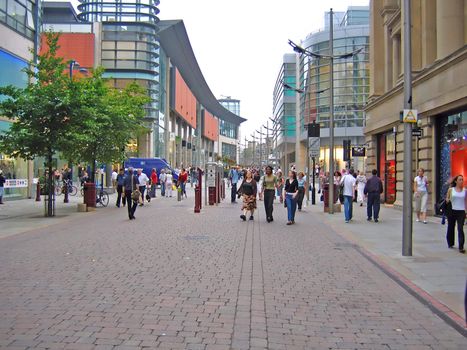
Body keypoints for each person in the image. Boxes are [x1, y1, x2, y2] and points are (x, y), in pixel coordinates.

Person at [445, 175, 466, 254]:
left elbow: (466, 202)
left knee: (460, 228)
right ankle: (450, 242)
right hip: (452, 210)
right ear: (456, 181)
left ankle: (461, 246)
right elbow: (447, 198)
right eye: (460, 180)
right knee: (451, 226)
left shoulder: (465, 190)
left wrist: (466, 211)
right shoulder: (451, 190)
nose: (461, 181)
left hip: (461, 211)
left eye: (462, 180)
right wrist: (447, 199)